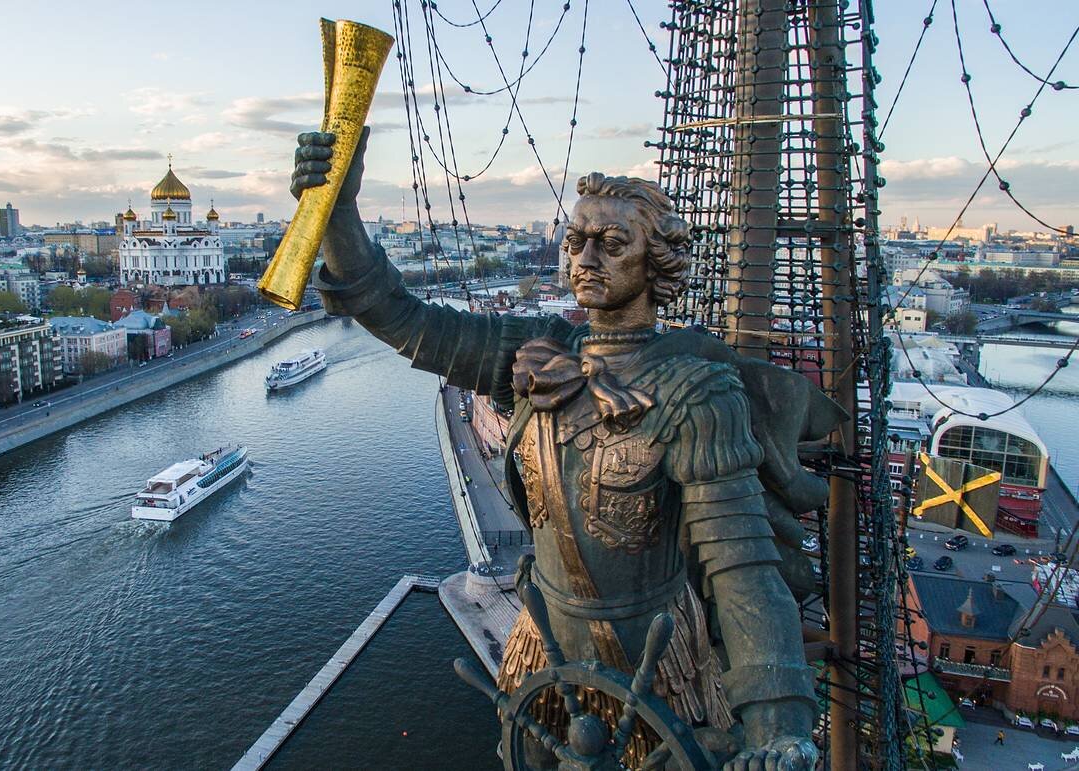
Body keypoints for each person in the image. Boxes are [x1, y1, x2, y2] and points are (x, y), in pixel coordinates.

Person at [293, 127, 842, 770]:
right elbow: (403, 318)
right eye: (576, 241)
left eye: (613, 245)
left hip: (655, 661)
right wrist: (336, 211)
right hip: (541, 648)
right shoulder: (538, 351)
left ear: (656, 263)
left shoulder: (695, 392)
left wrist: (779, 727)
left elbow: (741, 568)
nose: (586, 258)